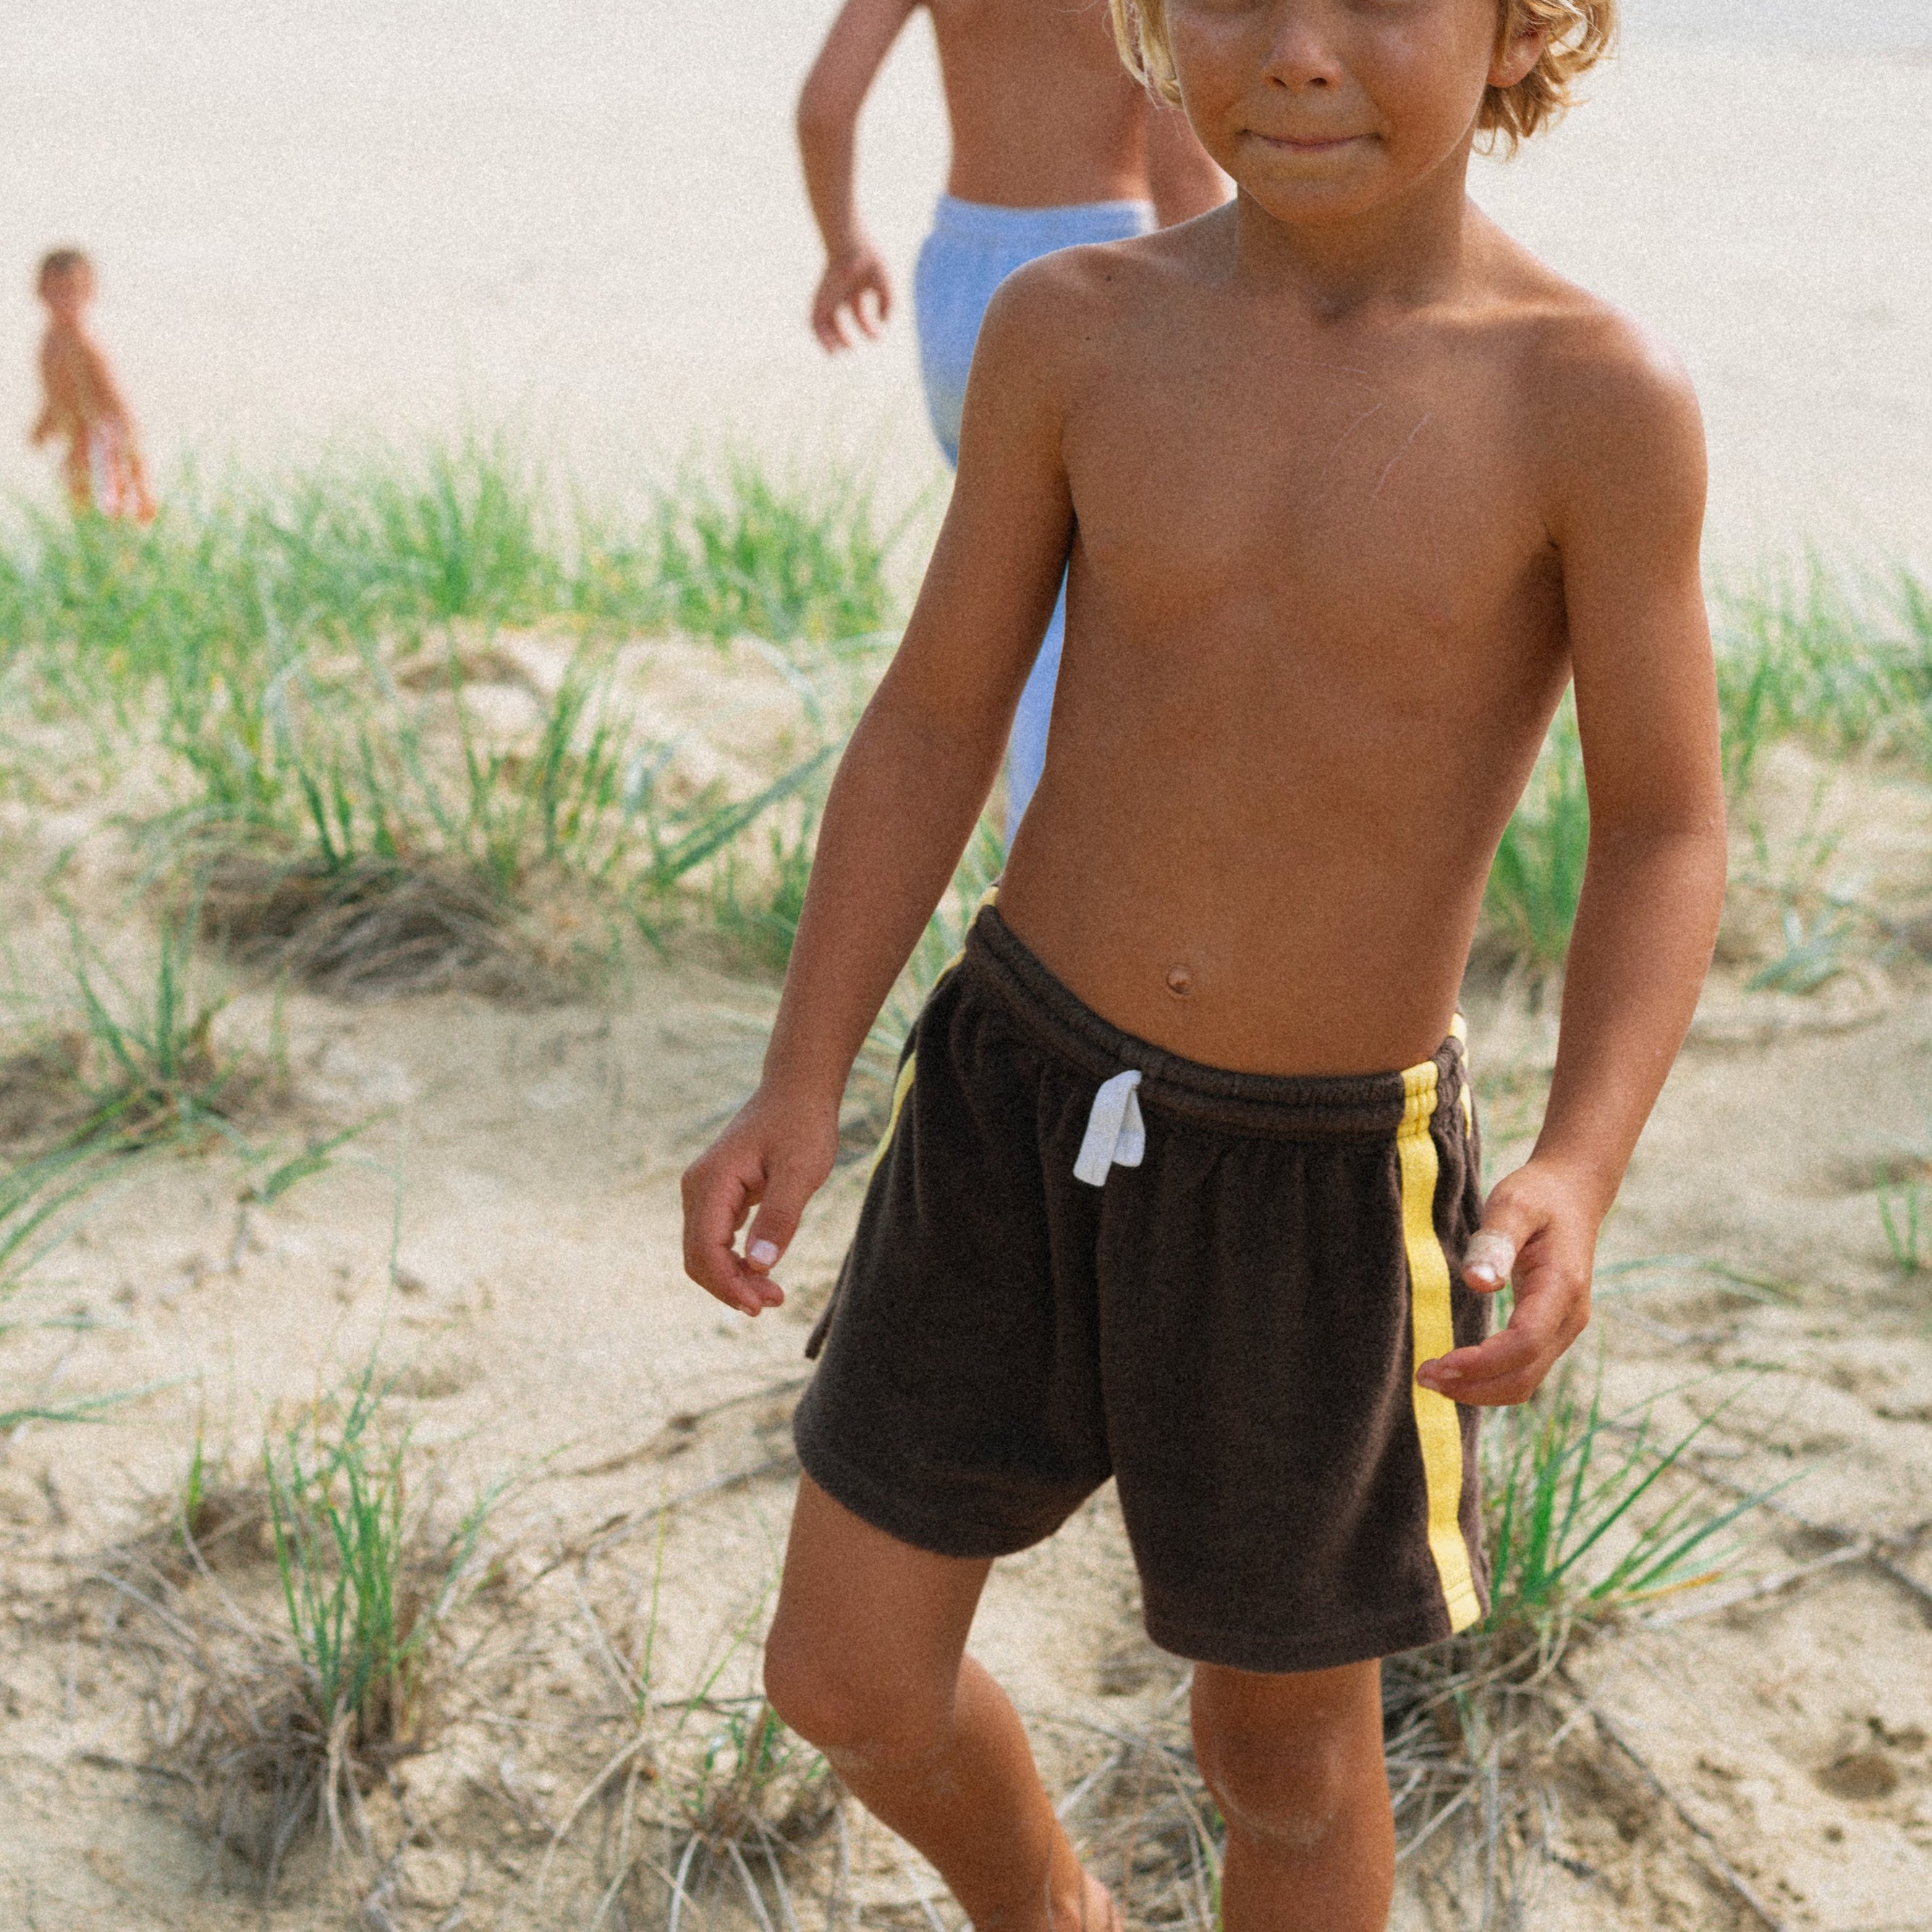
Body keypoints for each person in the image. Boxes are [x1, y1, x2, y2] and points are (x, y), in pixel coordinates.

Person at [688, 0, 1724, 1925]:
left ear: (1519, 30)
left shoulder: (1587, 396)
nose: (1299, 51)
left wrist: (1579, 1162)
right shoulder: (1075, 327)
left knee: (1284, 1762)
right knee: (845, 1676)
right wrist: (801, 1073)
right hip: (1012, 1090)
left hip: (1317, 1177)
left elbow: (1664, 825)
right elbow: (935, 716)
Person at [797, 0, 1228, 838]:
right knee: (1079, 617)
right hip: (1101, 275)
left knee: (1003, 596)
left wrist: (843, 248)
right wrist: (1226, 322)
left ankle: (1016, 859)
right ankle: (1037, 880)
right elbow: (1181, 168)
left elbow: (825, 105)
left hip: (959, 276)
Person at [30, 249, 154, 523]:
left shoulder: (83, 345)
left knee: (108, 502)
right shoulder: (50, 341)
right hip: (76, 438)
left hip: (99, 435)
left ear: (89, 292)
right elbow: (57, 392)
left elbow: (112, 395)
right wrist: (44, 423)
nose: (65, 301)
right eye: (56, 292)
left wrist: (130, 442)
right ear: (40, 292)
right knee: (79, 497)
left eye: (72, 292)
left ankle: (118, 538)